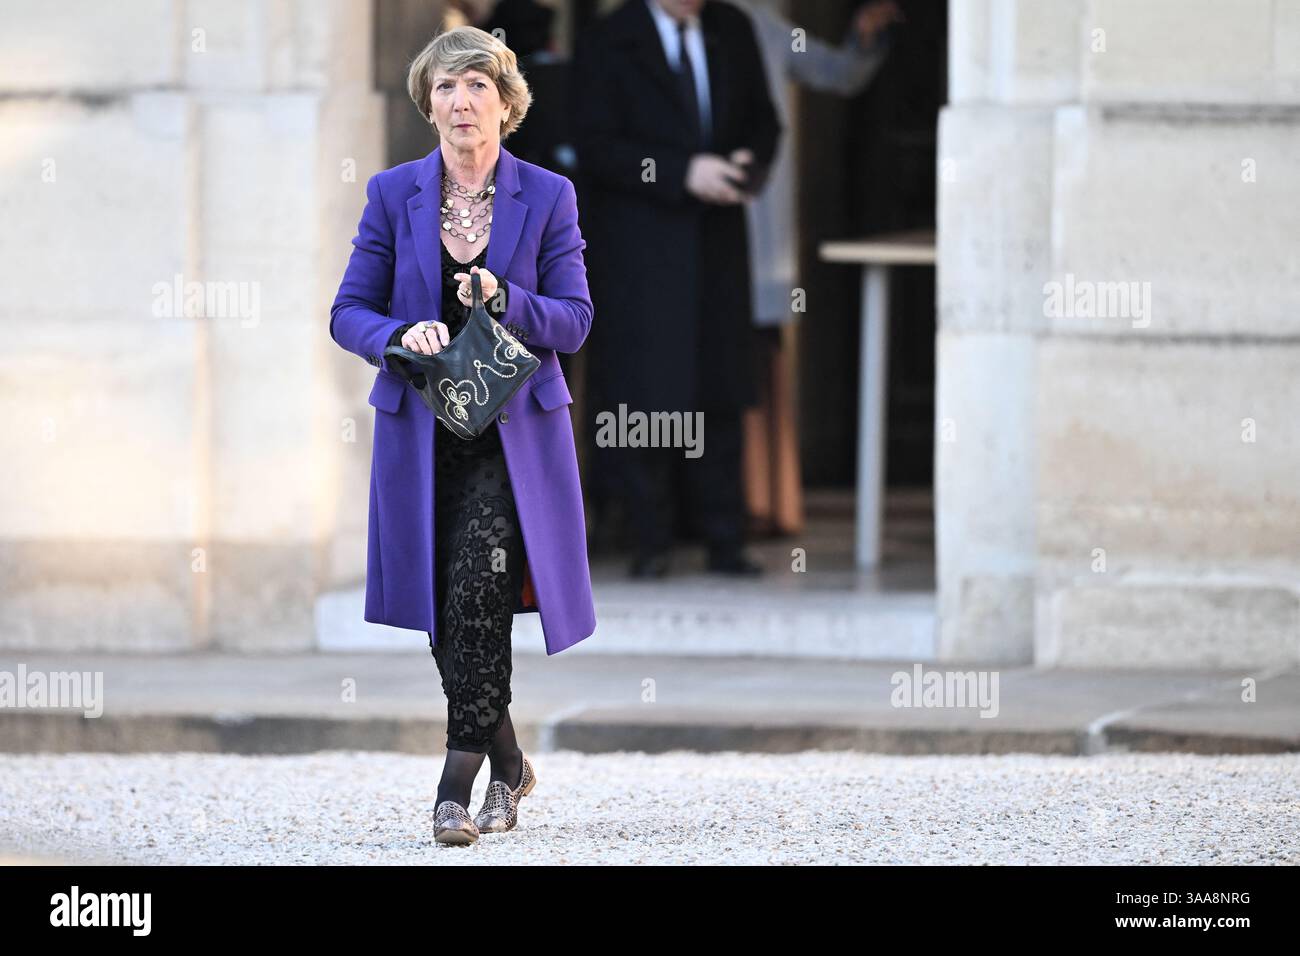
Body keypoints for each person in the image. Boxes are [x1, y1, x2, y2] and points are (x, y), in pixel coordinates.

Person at [329, 25, 596, 845]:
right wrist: (396, 335)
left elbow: (577, 321)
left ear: (506, 104)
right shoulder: (391, 193)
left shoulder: (547, 195)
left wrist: (509, 299)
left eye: (477, 86)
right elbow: (348, 312)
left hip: (512, 444)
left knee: (479, 590)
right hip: (421, 437)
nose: (461, 102)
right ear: (429, 104)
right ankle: (510, 764)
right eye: (445, 88)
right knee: (449, 609)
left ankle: (455, 783)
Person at [574, 0, 781, 579]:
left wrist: (751, 163)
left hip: (717, 242)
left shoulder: (731, 28)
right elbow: (596, 146)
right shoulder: (609, 39)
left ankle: (724, 538)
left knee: (719, 385)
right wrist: (679, 172)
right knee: (645, 390)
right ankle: (649, 540)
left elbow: (765, 121)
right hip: (641, 249)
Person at [729, 0, 901, 536]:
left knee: (755, 360)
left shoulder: (758, 26)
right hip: (673, 230)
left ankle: (763, 504)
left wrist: (864, 39)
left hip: (751, 233)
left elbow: (836, 72)